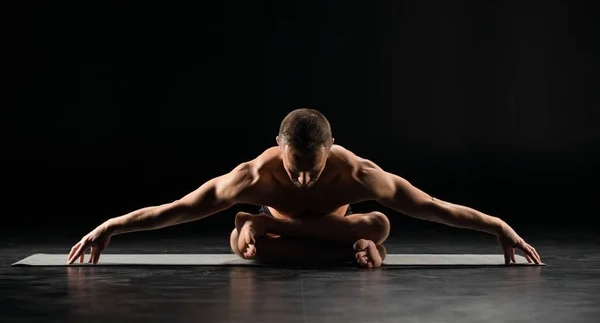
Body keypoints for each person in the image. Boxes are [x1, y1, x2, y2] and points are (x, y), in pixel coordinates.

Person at [67, 108, 542, 268]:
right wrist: (113, 225)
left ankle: (259, 227)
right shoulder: (253, 176)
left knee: (378, 221)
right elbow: (184, 207)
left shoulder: (357, 173)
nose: (302, 179)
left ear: (332, 148)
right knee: (247, 244)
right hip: (277, 241)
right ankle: (280, 236)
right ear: (278, 146)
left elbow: (431, 206)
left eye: (312, 170)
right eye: (295, 170)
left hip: (297, 238)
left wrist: (496, 226)